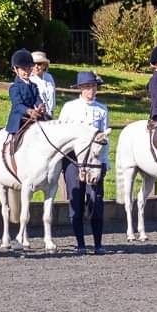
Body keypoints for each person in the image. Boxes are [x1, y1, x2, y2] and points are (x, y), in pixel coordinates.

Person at [58, 71, 109, 255]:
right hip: (73, 160)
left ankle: (98, 243)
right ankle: (80, 243)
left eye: (93, 87)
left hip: (94, 160)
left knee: (96, 200)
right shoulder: (69, 108)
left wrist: (104, 162)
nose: (91, 90)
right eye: (87, 87)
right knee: (76, 200)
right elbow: (61, 135)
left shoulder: (102, 110)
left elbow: (104, 140)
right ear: (80, 89)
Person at [5, 48, 47, 137]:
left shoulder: (34, 85)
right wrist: (28, 110)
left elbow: (37, 98)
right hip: (19, 118)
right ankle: (9, 148)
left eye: (29, 69)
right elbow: (17, 105)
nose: (27, 72)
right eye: (23, 69)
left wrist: (40, 105)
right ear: (15, 69)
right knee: (17, 138)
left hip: (33, 115)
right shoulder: (14, 87)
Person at [30, 51, 56, 116]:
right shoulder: (29, 79)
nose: (36, 66)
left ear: (44, 65)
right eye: (33, 64)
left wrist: (51, 112)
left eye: (39, 64)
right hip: (35, 114)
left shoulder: (49, 77)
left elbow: (53, 96)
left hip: (49, 114)